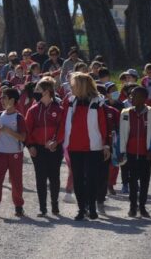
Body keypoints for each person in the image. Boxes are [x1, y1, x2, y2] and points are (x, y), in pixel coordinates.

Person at [61, 73, 109, 220]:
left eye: (73, 85)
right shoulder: (69, 101)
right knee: (78, 178)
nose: (71, 88)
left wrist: (106, 145)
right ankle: (82, 209)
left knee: (92, 178)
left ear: (81, 86)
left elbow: (103, 125)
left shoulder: (98, 102)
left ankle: (92, 207)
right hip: (74, 146)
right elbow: (63, 122)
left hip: (93, 147)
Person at [117, 86, 151, 218]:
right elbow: (122, 133)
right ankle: (132, 207)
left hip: (146, 153)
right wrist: (120, 150)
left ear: (143, 98)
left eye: (134, 96)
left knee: (144, 180)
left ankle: (142, 206)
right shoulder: (125, 112)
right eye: (130, 95)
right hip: (130, 152)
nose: (131, 98)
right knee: (132, 180)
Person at [25, 78, 64, 216]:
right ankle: (43, 208)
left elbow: (62, 129)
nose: (34, 93)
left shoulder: (59, 109)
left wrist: (55, 142)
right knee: (40, 178)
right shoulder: (32, 110)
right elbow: (27, 130)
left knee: (54, 177)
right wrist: (30, 146)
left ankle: (55, 205)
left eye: (37, 90)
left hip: (55, 149)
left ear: (47, 92)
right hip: (38, 149)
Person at [0, 87, 27, 217]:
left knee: (16, 181)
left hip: (15, 153)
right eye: (1, 97)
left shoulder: (19, 117)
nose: (1, 100)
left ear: (12, 100)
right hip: (0, 152)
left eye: (4, 97)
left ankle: (19, 207)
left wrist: (6, 130)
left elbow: (23, 137)